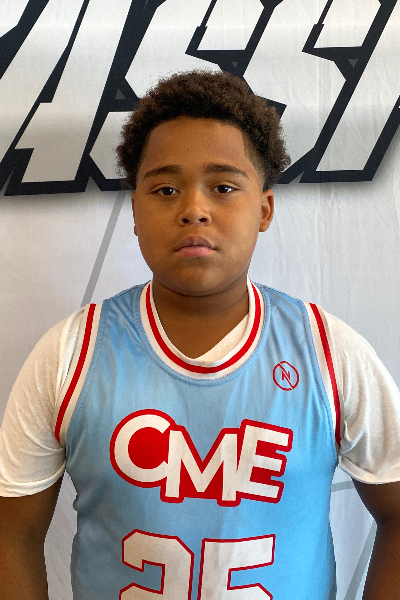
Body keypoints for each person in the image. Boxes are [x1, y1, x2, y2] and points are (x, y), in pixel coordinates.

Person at [0, 70, 400, 600]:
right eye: (166, 189)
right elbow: (11, 534)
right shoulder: (71, 354)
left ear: (264, 208)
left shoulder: (329, 353)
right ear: (135, 210)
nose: (193, 209)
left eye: (224, 187)